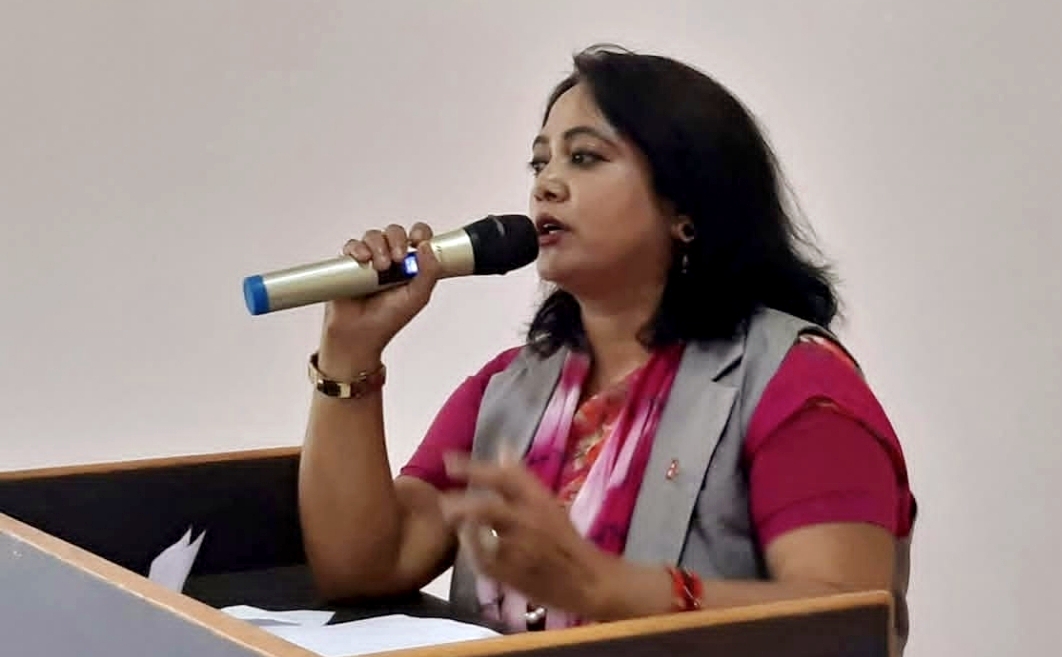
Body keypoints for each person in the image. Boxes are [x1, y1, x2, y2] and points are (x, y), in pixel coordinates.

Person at [298, 44, 916, 649]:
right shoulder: (511, 388)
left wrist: (605, 587)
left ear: (685, 207)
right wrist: (350, 351)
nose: (547, 186)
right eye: (540, 164)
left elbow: (847, 626)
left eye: (584, 157)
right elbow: (364, 567)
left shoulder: (795, 382)